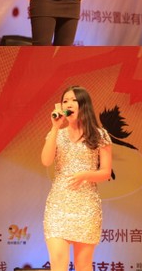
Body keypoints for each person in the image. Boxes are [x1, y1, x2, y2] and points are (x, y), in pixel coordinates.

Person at [41, 86, 112, 271]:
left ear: (83, 105)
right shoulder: (57, 134)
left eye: (73, 100)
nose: (68, 104)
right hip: (59, 205)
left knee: (83, 265)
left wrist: (85, 175)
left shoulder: (99, 135)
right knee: (57, 260)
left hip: (86, 205)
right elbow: (46, 161)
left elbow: (106, 172)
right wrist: (55, 127)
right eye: (65, 101)